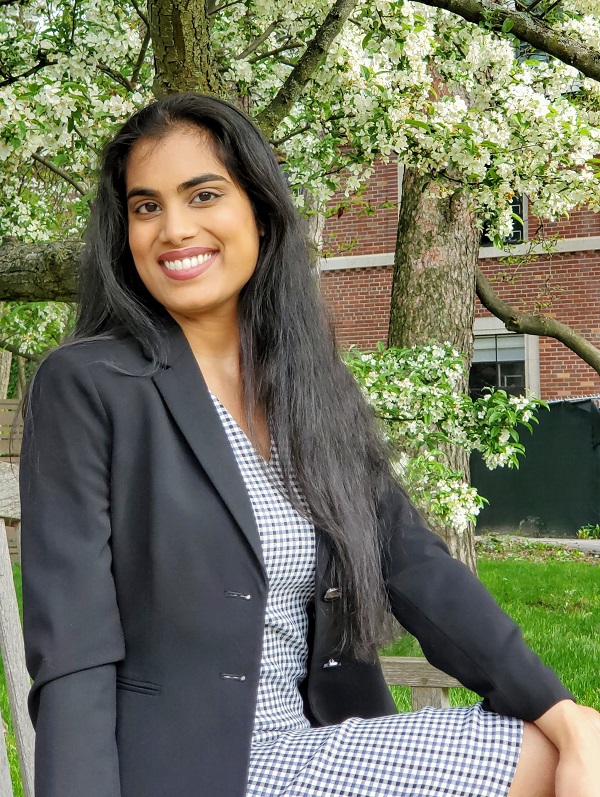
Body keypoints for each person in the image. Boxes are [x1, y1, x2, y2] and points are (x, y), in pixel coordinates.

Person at [19, 92, 600, 797]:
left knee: (568, 745)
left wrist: (563, 714)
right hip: (190, 771)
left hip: (314, 744)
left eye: (203, 195)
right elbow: (74, 645)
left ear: (260, 211)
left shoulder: (308, 386)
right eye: (146, 206)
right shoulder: (89, 383)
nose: (173, 228)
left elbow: (412, 564)